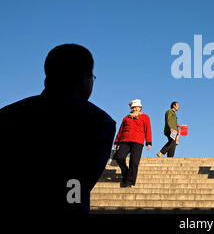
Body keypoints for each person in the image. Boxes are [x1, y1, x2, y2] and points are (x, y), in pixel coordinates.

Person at [0, 44, 116, 214]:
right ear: (86, 79)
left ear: (47, 78)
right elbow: (79, 185)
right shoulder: (100, 122)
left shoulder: (8, 115)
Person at [113, 99, 152, 187]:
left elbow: (148, 129)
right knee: (119, 157)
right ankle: (126, 172)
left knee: (134, 162)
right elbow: (120, 130)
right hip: (124, 141)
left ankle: (129, 181)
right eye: (133, 107)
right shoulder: (126, 118)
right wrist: (116, 141)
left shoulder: (145, 117)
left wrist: (148, 142)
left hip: (138, 142)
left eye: (136, 107)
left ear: (140, 108)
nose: (134, 109)